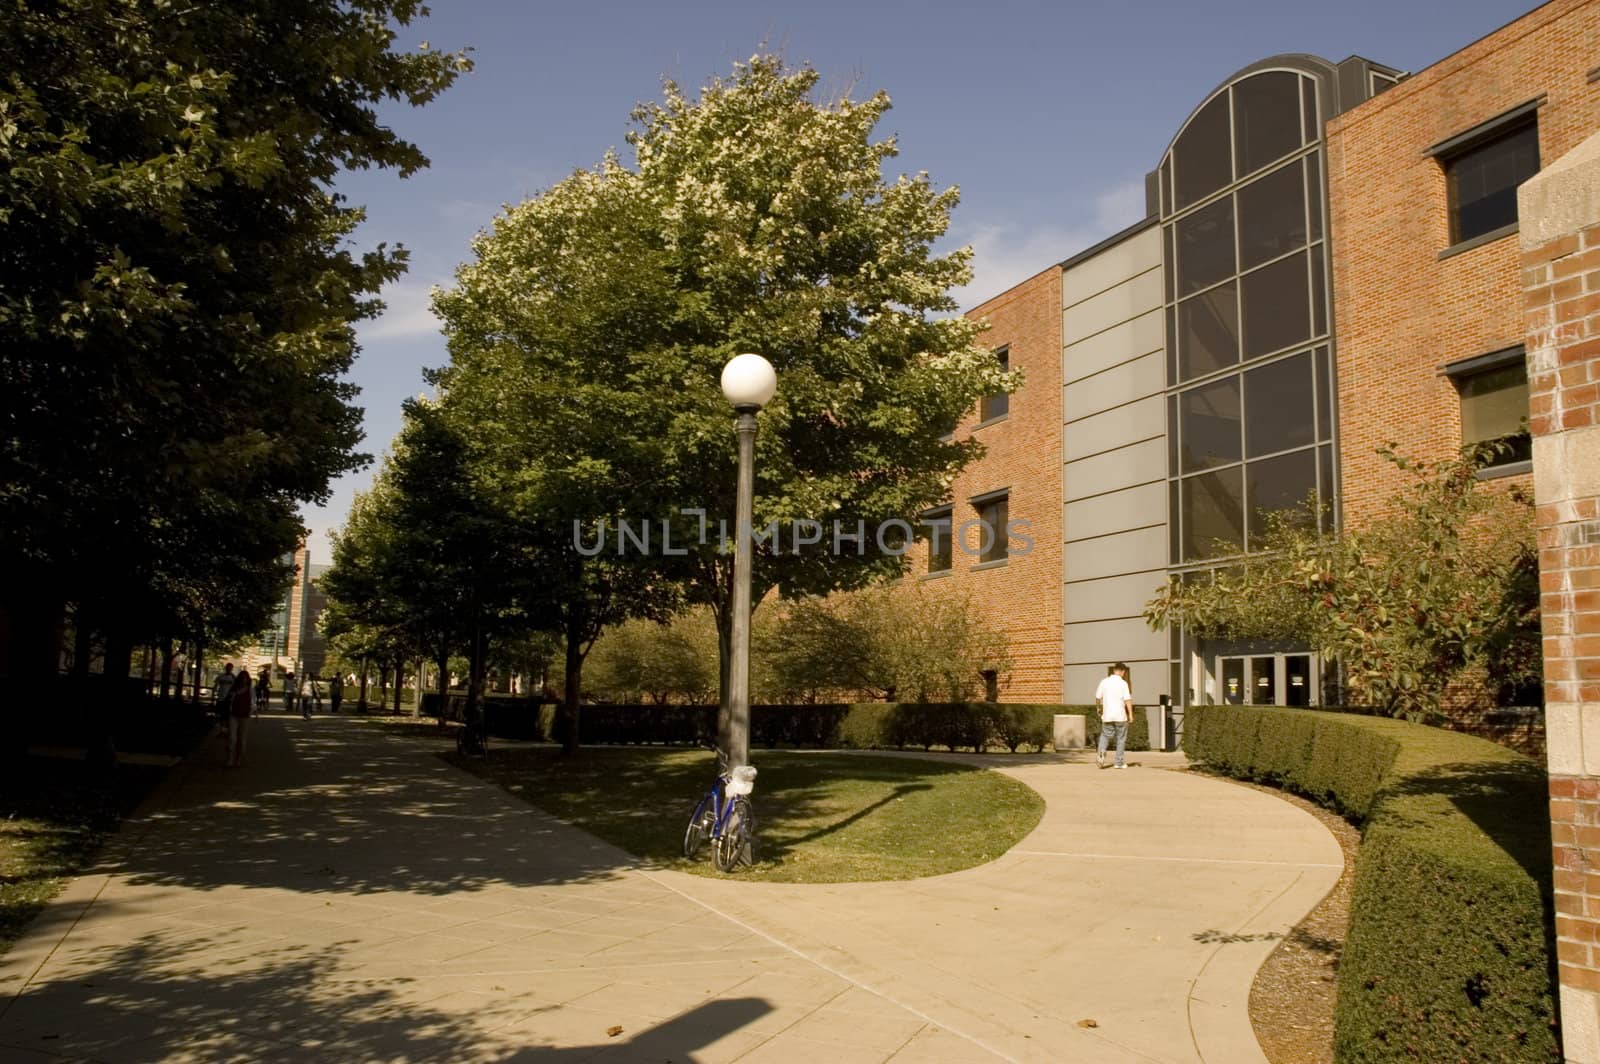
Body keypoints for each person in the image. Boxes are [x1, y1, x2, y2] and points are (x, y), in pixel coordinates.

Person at [1095, 662, 1134, 770]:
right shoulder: (1123, 683)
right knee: (1121, 739)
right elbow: (1127, 700)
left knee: (1105, 736)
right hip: (1120, 716)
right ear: (1123, 671)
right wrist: (1130, 714)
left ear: (1114, 670)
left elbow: (1098, 697)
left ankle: (1101, 753)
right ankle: (1119, 762)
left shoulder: (1104, 682)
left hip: (1107, 715)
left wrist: (1098, 708)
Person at [227, 667, 254, 767]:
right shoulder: (234, 689)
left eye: (245, 678)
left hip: (245, 716)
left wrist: (251, 713)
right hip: (233, 715)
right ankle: (230, 759)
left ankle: (238, 759)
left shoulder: (250, 690)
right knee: (232, 738)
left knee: (242, 740)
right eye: (242, 678)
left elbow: (253, 703)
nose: (244, 680)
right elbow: (229, 701)